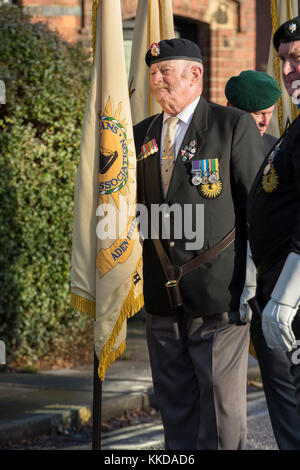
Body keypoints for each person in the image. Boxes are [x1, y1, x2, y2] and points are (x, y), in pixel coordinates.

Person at [133, 38, 265, 450]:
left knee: (221, 418)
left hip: (219, 295)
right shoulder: (141, 134)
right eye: (152, 73)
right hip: (161, 296)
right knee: (176, 412)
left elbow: (257, 210)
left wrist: (254, 282)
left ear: (195, 75)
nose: (156, 80)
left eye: (165, 72)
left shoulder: (231, 126)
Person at [226, 69, 300, 449]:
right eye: (254, 113)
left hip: (285, 280)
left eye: (268, 112)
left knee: (288, 387)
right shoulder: (218, 147)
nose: (263, 119)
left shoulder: (280, 144)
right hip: (247, 282)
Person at [246, 16, 300, 423]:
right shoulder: (295, 129)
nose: (286, 70)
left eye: (297, 58)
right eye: (283, 59)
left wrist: (284, 296)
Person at [225, 70, 281, 152]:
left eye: (270, 113)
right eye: (258, 114)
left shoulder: (275, 147)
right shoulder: (213, 143)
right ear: (232, 109)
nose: (266, 122)